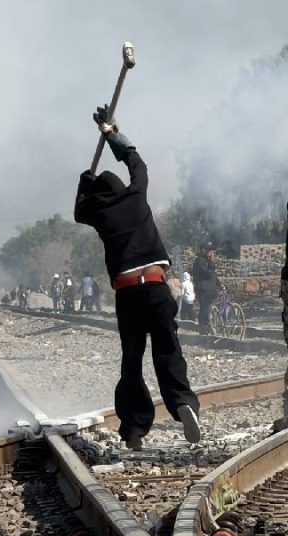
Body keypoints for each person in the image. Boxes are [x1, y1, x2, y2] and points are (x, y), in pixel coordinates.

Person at [73, 104, 200, 449]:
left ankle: (133, 428)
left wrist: (84, 183)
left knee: (132, 359)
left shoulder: (99, 213)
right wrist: (113, 133)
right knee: (168, 350)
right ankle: (183, 403)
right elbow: (136, 161)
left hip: (128, 293)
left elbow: (78, 211)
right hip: (157, 286)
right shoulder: (137, 194)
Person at [193, 243, 217, 335]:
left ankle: (208, 328)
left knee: (207, 310)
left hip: (209, 289)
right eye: (209, 250)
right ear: (204, 250)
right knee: (204, 310)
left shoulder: (205, 261)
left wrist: (219, 284)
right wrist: (211, 263)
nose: (211, 253)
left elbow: (213, 276)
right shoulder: (200, 261)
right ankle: (203, 331)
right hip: (204, 290)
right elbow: (207, 273)